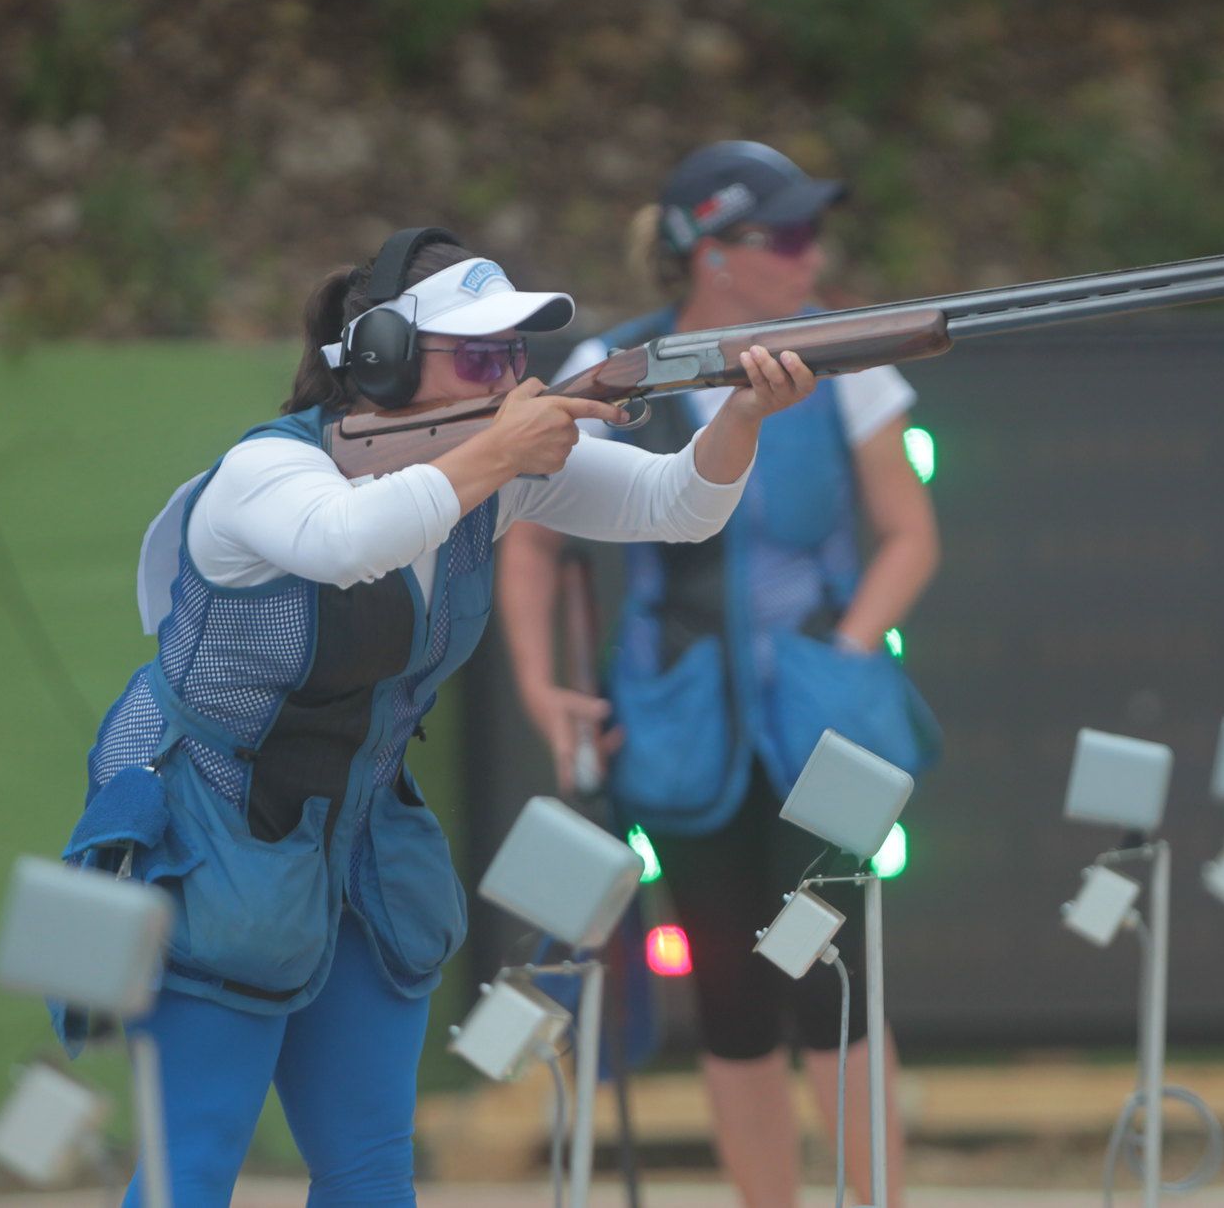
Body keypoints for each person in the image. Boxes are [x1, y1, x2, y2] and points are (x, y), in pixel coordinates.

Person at [56, 226, 814, 1206]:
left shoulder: (488, 470)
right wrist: (499, 451)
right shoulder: (265, 475)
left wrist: (741, 416)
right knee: (194, 1169)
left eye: (512, 358)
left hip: (360, 850)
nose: (505, 378)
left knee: (373, 1173)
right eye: (479, 357)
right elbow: (344, 542)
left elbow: (678, 505)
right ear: (382, 359)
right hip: (214, 847)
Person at [499, 143, 940, 1208]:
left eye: (806, 234)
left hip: (820, 726)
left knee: (839, 979)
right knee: (731, 993)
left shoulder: (851, 362)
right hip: (675, 719)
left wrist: (844, 648)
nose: (808, 255)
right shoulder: (614, 364)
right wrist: (538, 686)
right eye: (782, 235)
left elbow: (908, 535)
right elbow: (528, 537)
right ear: (711, 250)